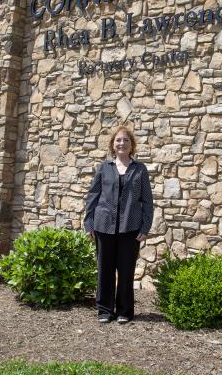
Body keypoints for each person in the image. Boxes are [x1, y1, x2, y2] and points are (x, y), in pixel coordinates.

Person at [83, 125, 154, 324]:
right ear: (113, 145)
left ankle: (124, 311)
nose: (122, 143)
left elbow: (147, 201)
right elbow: (92, 197)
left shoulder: (139, 169)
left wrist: (145, 227)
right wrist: (89, 223)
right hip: (103, 226)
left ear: (132, 146)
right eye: (118, 140)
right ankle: (105, 311)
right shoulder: (105, 168)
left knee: (126, 270)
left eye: (126, 140)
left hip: (130, 229)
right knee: (104, 270)